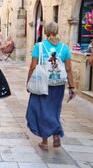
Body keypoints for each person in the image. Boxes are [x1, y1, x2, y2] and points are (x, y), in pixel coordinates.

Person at [26, 22, 76, 150]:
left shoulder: (39, 46)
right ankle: (55, 135)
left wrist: (29, 82)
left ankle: (45, 140)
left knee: (41, 110)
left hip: (43, 83)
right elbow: (69, 69)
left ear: (45, 31)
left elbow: (33, 66)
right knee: (54, 110)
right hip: (58, 85)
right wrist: (72, 86)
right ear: (57, 30)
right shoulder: (64, 48)